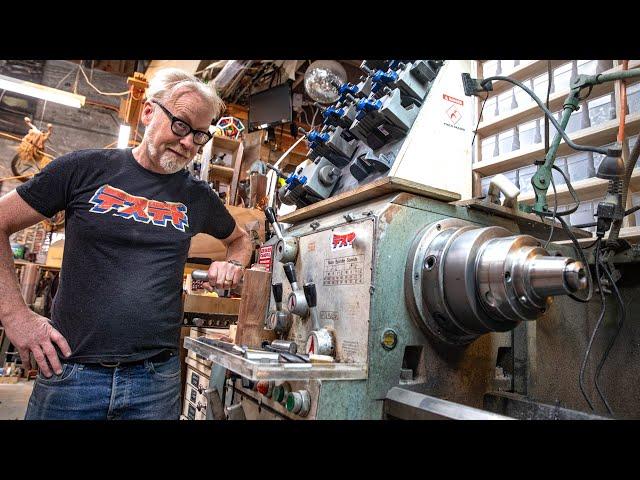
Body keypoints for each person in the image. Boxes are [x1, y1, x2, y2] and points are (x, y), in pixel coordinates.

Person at [0, 68, 253, 419]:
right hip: (71, 376)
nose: (188, 143)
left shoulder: (197, 197)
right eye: (180, 126)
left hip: (154, 381)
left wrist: (235, 264)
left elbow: (240, 239)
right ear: (149, 112)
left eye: (199, 135)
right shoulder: (83, 169)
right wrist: (14, 316)